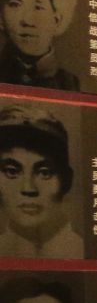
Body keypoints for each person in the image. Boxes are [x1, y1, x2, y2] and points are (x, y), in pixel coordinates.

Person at [0, 105, 83, 259]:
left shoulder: (86, 252)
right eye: (12, 171)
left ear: (66, 180)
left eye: (45, 172)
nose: (28, 188)